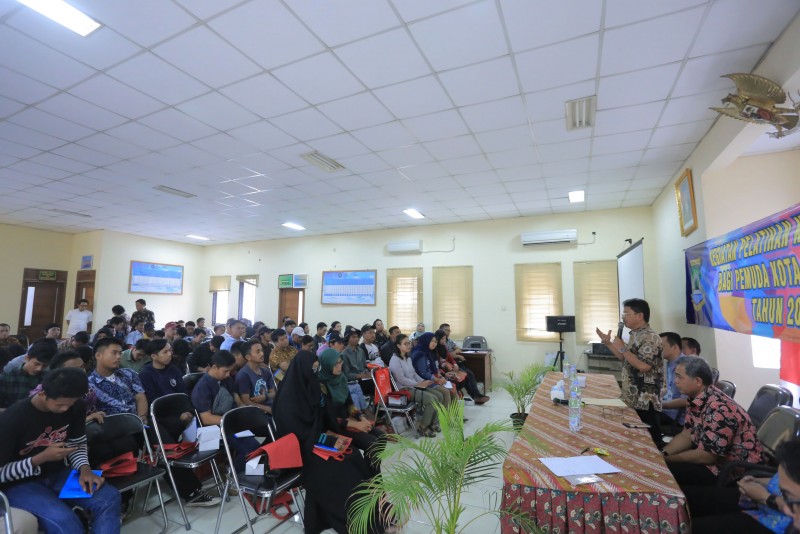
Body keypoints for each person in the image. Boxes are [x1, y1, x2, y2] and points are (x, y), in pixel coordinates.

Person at [272, 350, 387, 534]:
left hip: (316, 441)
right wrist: (328, 439)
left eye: (316, 369)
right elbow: (297, 435)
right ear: (302, 370)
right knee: (342, 466)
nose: (315, 374)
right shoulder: (288, 399)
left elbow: (325, 420)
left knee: (353, 455)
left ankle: (372, 509)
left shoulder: (314, 388)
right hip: (301, 451)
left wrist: (334, 437)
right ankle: (353, 517)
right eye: (312, 370)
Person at [0, 367, 122, 533]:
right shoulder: (12, 419)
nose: (65, 409)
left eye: (70, 404)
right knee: (65, 522)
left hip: (57, 473)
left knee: (109, 498)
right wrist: (40, 458)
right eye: (60, 404)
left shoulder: (75, 406)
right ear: (43, 394)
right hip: (19, 484)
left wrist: (85, 470)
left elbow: (77, 443)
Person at [138, 339, 219, 507]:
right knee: (169, 451)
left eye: (170, 350)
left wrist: (186, 411)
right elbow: (153, 403)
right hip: (159, 419)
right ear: (154, 356)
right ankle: (192, 492)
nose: (170, 354)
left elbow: (183, 395)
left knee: (205, 424)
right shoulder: (146, 374)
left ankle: (213, 472)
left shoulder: (173, 370)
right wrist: (178, 415)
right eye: (165, 352)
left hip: (180, 416)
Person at [662, 356, 762, 487]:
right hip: (709, 460)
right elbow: (687, 434)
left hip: (729, 473)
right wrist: (664, 453)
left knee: (665, 472)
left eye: (680, 377)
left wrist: (667, 460)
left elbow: (706, 456)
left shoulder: (719, 409)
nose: (675, 381)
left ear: (698, 381)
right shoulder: (697, 398)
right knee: (661, 464)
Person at [682, 438, 800, 533]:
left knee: (693, 528)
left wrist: (765, 497)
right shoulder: (792, 467)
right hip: (757, 502)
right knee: (688, 499)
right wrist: (757, 481)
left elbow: (706, 456)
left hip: (769, 517)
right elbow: (781, 480)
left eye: (788, 496)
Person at [596, 298, 664, 447]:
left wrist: (622, 347)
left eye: (626, 313)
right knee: (635, 440)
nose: (623, 317)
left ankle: (661, 460)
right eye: (623, 314)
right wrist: (609, 344)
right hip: (632, 397)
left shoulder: (650, 337)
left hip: (645, 399)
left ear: (640, 315)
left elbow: (644, 366)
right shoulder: (636, 334)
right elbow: (625, 358)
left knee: (650, 441)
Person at [317, 349, 385, 475]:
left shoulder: (341, 378)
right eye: (335, 364)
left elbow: (349, 404)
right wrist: (356, 424)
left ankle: (372, 475)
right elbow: (328, 418)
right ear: (326, 365)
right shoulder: (321, 386)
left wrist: (362, 418)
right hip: (334, 426)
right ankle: (372, 479)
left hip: (349, 420)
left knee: (381, 437)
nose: (339, 366)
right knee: (372, 443)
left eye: (340, 362)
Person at [191, 351, 254, 471]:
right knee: (251, 447)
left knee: (267, 430)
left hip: (230, 421)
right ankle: (233, 474)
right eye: (225, 371)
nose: (228, 374)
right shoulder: (202, 387)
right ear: (214, 367)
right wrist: (233, 421)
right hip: (214, 427)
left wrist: (245, 413)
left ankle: (255, 472)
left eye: (230, 370)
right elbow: (206, 418)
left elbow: (236, 400)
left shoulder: (226, 380)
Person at [388, 334, 443, 437]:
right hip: (404, 389)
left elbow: (414, 374)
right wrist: (418, 384)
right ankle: (423, 427)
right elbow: (401, 379)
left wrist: (424, 381)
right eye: (405, 344)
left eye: (409, 343)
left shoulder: (407, 358)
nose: (408, 345)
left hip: (414, 385)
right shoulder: (395, 360)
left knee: (439, 396)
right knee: (431, 399)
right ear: (398, 346)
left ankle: (433, 423)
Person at [434, 329, 489, 404]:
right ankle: (473, 396)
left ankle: (476, 396)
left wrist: (455, 364)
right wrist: (445, 366)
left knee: (468, 374)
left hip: (450, 367)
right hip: (443, 371)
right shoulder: (435, 349)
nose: (444, 341)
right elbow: (437, 364)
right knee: (464, 376)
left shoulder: (444, 347)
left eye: (445, 339)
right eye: (442, 339)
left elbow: (450, 356)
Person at [0, 342, 56, 408]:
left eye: (44, 366)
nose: (39, 369)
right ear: (27, 358)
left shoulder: (48, 378)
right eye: (36, 364)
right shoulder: (8, 377)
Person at [410, 332, 454, 408]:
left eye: (436, 342)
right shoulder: (420, 354)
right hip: (424, 380)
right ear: (426, 341)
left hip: (432, 378)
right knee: (446, 391)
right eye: (432, 341)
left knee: (452, 388)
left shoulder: (430, 352)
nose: (434, 344)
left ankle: (453, 413)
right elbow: (423, 373)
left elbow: (435, 368)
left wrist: (441, 376)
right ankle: (445, 415)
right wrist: (437, 380)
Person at [234, 340, 276, 418]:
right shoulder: (243, 375)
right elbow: (246, 402)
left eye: (261, 350)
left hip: (271, 407)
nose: (262, 354)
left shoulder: (265, 371)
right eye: (258, 352)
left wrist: (265, 396)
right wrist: (267, 409)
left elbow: (273, 393)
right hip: (257, 413)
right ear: (248, 357)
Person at [659, 331, 688, 431]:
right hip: (666, 409)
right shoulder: (670, 363)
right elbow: (670, 389)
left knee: (643, 416)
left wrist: (661, 404)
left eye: (662, 346)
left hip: (675, 416)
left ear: (675, 347)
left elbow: (686, 401)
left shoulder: (686, 366)